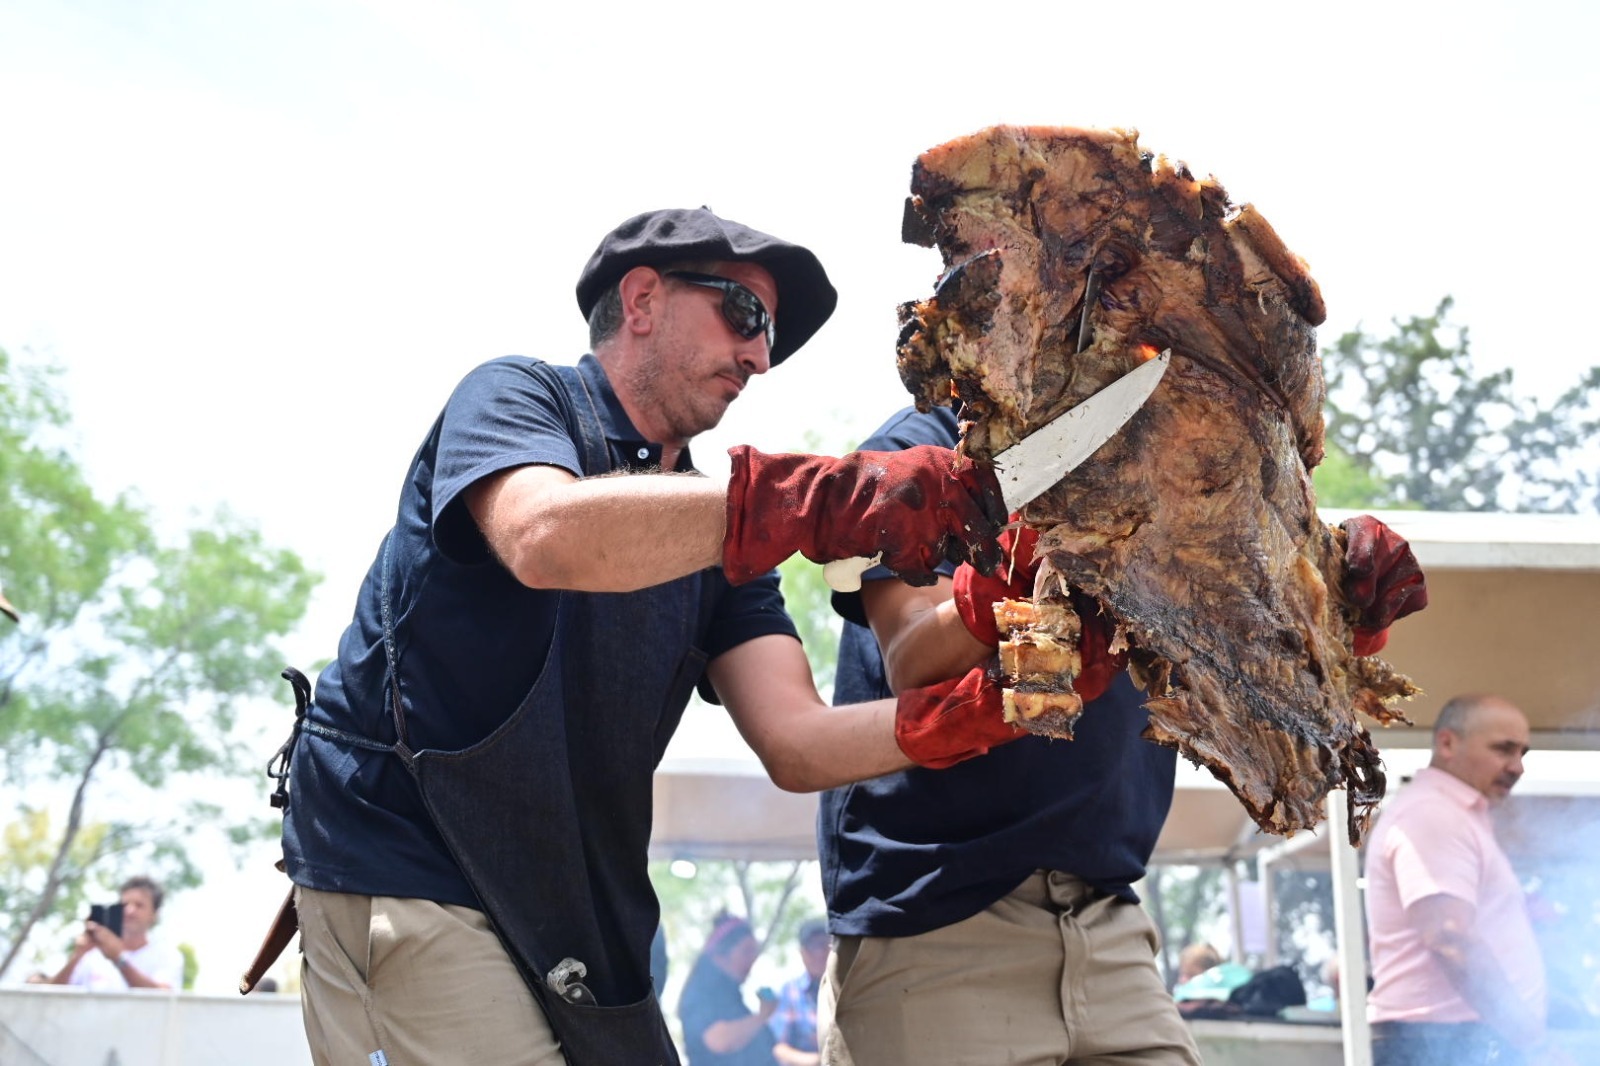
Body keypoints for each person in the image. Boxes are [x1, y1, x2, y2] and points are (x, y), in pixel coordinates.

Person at [274, 207, 1012, 1066]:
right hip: (414, 871)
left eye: (769, 336)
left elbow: (799, 744)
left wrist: (985, 711)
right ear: (642, 298)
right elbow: (545, 534)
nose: (760, 356)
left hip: (576, 909)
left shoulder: (723, 546)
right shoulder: (516, 396)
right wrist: (819, 499)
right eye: (746, 315)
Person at [818, 404, 1428, 1065]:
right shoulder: (925, 446)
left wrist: (1333, 622)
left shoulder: (1172, 454)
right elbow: (911, 656)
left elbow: (1233, 687)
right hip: (936, 922)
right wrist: (1002, 573)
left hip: (1111, 924)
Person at [1365, 694, 1551, 1065]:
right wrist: (1533, 1044)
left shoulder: (1450, 813)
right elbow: (1450, 938)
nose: (1517, 767)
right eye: (1503, 749)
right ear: (1448, 742)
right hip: (1444, 1041)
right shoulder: (1434, 814)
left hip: (1456, 1038)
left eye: (1522, 754)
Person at [48, 875, 183, 991]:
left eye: (139, 905)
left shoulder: (167, 956)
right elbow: (49, 998)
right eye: (124, 904)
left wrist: (119, 960)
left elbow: (164, 999)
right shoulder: (92, 955)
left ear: (154, 914)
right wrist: (77, 956)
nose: (129, 910)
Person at [678, 913, 778, 1066]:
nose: (752, 959)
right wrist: (762, 1015)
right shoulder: (699, 992)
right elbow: (719, 1040)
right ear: (721, 954)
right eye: (746, 951)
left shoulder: (731, 994)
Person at [769, 918, 829, 1065]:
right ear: (802, 952)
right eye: (813, 946)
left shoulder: (848, 990)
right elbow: (778, 1048)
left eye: (825, 944)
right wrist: (816, 1061)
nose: (820, 953)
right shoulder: (789, 993)